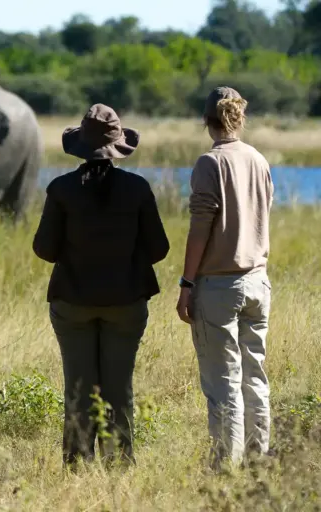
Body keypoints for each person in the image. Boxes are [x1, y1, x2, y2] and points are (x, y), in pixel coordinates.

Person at [33, 104, 170, 466]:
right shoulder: (137, 188)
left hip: (72, 302)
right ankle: (119, 464)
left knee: (78, 389)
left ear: (80, 146)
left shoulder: (61, 189)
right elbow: (160, 248)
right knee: (119, 388)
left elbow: (44, 250)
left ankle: (77, 465)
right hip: (126, 303)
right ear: (118, 147)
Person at [176, 87, 274, 471]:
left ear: (206, 121)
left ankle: (224, 469)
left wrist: (186, 284)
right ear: (239, 117)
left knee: (223, 382)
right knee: (255, 376)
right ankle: (257, 459)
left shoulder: (209, 163)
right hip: (258, 282)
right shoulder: (258, 159)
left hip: (218, 285)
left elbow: (200, 228)